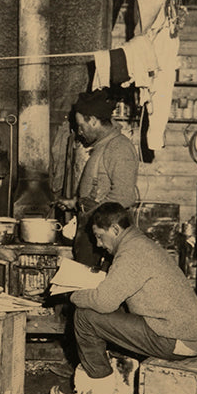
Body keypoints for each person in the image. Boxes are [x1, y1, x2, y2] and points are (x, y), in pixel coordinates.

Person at [50, 202, 197, 394]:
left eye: (100, 236)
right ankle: (115, 376)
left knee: (84, 316)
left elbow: (104, 302)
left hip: (175, 339)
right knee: (106, 311)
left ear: (115, 230)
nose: (98, 244)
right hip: (183, 333)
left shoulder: (131, 253)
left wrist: (73, 296)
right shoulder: (139, 243)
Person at [56, 88, 138, 269]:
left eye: (81, 125)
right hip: (94, 230)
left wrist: (92, 211)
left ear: (93, 121)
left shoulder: (119, 148)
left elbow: (124, 197)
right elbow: (100, 190)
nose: (79, 131)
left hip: (105, 235)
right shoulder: (104, 146)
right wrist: (76, 203)